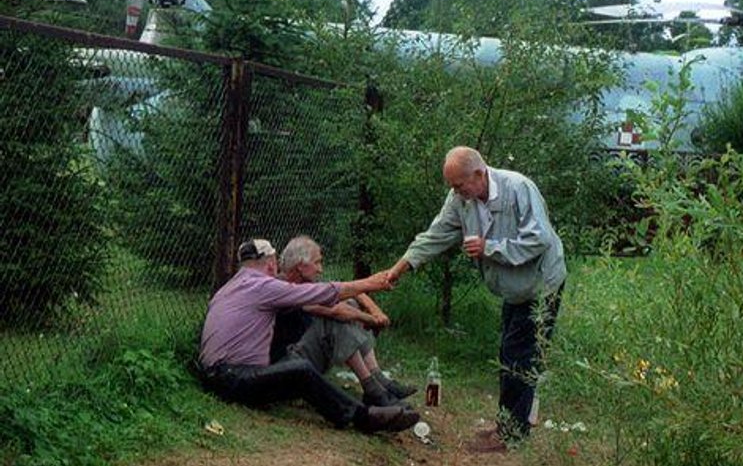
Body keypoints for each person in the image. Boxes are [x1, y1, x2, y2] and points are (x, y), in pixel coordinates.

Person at [384, 146, 566, 452]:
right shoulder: (461, 199)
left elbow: (539, 239)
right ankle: (508, 423)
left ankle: (511, 434)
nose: (455, 192)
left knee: (519, 356)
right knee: (510, 353)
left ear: (480, 174)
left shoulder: (518, 188)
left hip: (540, 284)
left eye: (459, 185)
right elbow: (437, 233)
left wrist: (489, 248)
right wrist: (401, 267)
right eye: (452, 186)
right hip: (513, 288)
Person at [198, 238, 419, 434]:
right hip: (233, 377)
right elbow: (325, 296)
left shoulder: (231, 286)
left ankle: (374, 389)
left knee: (299, 365)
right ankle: (363, 417)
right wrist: (371, 283)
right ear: (271, 264)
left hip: (217, 374)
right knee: (300, 369)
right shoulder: (263, 286)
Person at [271, 235, 417, 407]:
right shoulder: (287, 289)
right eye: (317, 263)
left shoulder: (303, 282)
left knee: (349, 303)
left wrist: (375, 311)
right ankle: (372, 388)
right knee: (335, 319)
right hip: (286, 364)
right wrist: (371, 319)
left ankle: (378, 379)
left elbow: (349, 290)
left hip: (302, 354)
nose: (321, 269)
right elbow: (336, 311)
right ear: (301, 267)